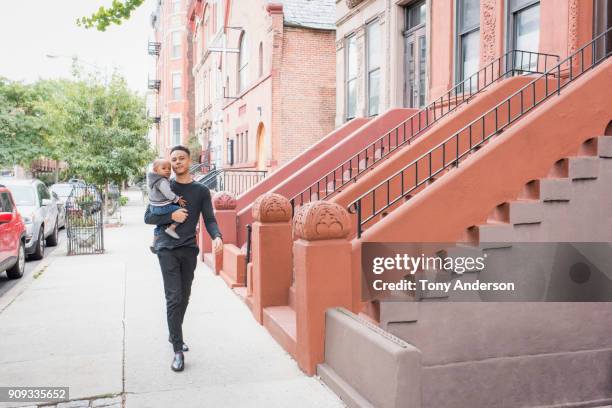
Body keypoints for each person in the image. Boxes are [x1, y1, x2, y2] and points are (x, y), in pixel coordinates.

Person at [144, 145, 223, 372]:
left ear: (189, 161)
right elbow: (148, 216)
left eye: (181, 159)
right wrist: (172, 215)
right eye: (173, 160)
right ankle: (177, 349)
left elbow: (209, 218)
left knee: (185, 296)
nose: (177, 163)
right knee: (174, 297)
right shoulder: (163, 185)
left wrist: (217, 235)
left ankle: (173, 333)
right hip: (166, 248)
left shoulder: (200, 191)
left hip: (189, 249)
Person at [147, 158, 187, 247]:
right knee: (182, 211)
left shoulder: (153, 180)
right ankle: (172, 228)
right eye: (164, 168)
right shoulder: (162, 181)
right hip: (162, 207)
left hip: (154, 207)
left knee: (159, 225)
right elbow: (168, 193)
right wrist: (177, 199)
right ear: (155, 170)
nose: (167, 170)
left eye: (169, 168)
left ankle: (154, 244)